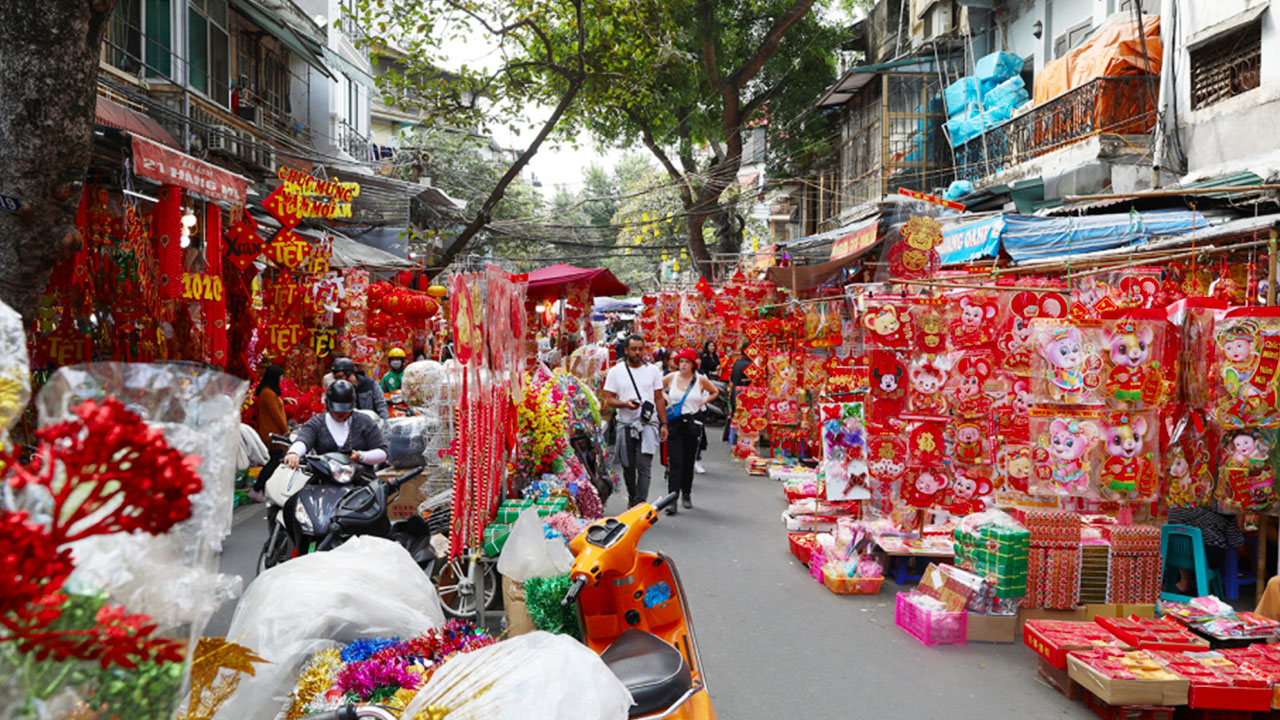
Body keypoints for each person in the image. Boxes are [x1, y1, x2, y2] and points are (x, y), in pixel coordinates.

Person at [602, 334, 668, 508]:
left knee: (644, 466)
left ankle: (640, 504)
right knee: (628, 465)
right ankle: (633, 497)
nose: (638, 352)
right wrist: (624, 403)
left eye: (640, 349)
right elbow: (608, 398)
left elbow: (659, 398)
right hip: (625, 424)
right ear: (626, 350)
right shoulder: (616, 372)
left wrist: (664, 424)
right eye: (634, 349)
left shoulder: (653, 371)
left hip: (648, 424)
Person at [662, 349, 720, 515]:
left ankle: (686, 493)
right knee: (675, 463)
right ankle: (672, 498)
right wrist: (667, 401)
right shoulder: (671, 377)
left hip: (692, 423)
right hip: (675, 424)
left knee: (688, 462)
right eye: (681, 362)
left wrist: (703, 401)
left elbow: (715, 391)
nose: (683, 365)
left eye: (687, 362)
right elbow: (657, 388)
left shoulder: (700, 380)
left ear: (693, 364)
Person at [284, 380, 388, 471]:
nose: (341, 413)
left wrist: (361, 456)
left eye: (345, 410)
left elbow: (382, 452)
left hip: (362, 482)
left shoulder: (365, 422)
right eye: (336, 410)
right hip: (325, 482)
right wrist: (294, 453)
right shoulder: (317, 423)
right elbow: (304, 439)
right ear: (328, 405)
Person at [1167, 506, 1245, 593]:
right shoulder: (1225, 513)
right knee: (1203, 550)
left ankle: (1185, 582)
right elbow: (1236, 543)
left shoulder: (1176, 509)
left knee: (1185, 542)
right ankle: (1188, 582)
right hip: (1209, 558)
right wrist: (1240, 522)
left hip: (1176, 555)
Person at [252, 365, 289, 494]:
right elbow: (275, 415)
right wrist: (285, 431)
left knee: (275, 461)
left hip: (273, 433)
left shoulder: (268, 392)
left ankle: (261, 488)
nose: (282, 379)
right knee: (275, 461)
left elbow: (273, 405)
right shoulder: (267, 393)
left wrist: (284, 401)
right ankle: (257, 488)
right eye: (281, 377)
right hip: (273, 434)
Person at [723, 341, 753, 442]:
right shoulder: (749, 365)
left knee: (736, 416)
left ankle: (734, 437)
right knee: (742, 418)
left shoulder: (737, 362)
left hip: (734, 393)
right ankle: (741, 438)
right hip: (743, 396)